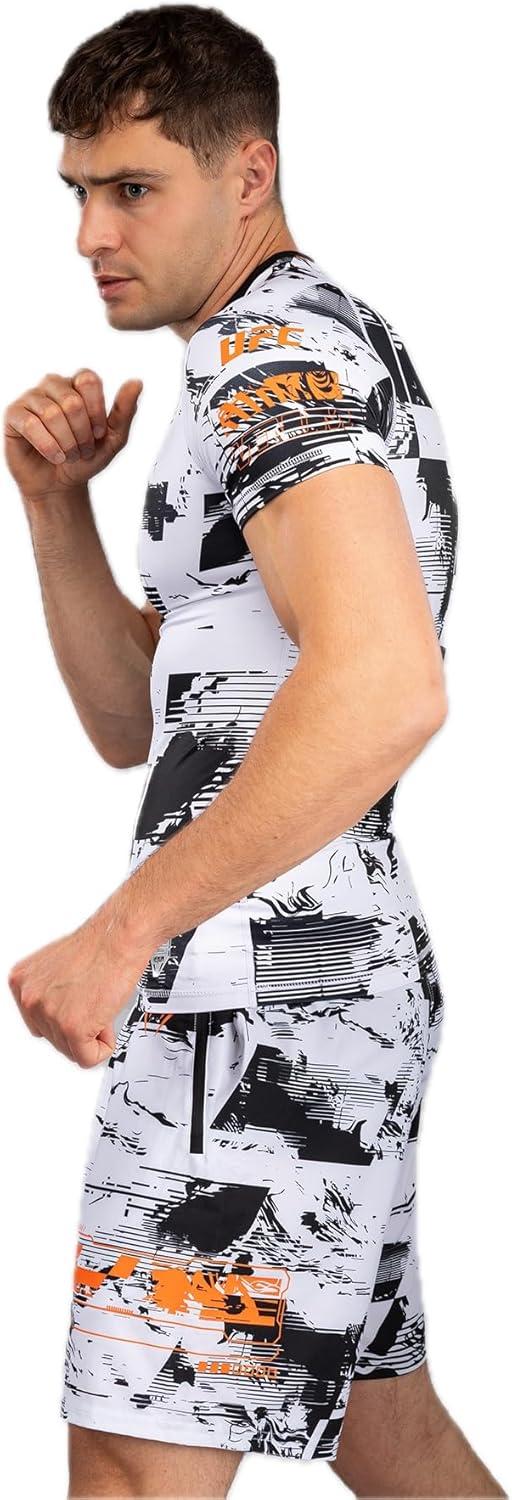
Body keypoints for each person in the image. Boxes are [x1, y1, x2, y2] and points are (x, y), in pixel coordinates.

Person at [3, 6, 505, 1498]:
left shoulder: (270, 350)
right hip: (319, 976)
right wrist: (57, 509)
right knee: (386, 1433)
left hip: (259, 990)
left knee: (133, 1456)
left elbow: (386, 687)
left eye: (134, 188)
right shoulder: (288, 344)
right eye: (78, 191)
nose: (92, 233)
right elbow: (139, 727)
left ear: (250, 173)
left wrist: (122, 935)